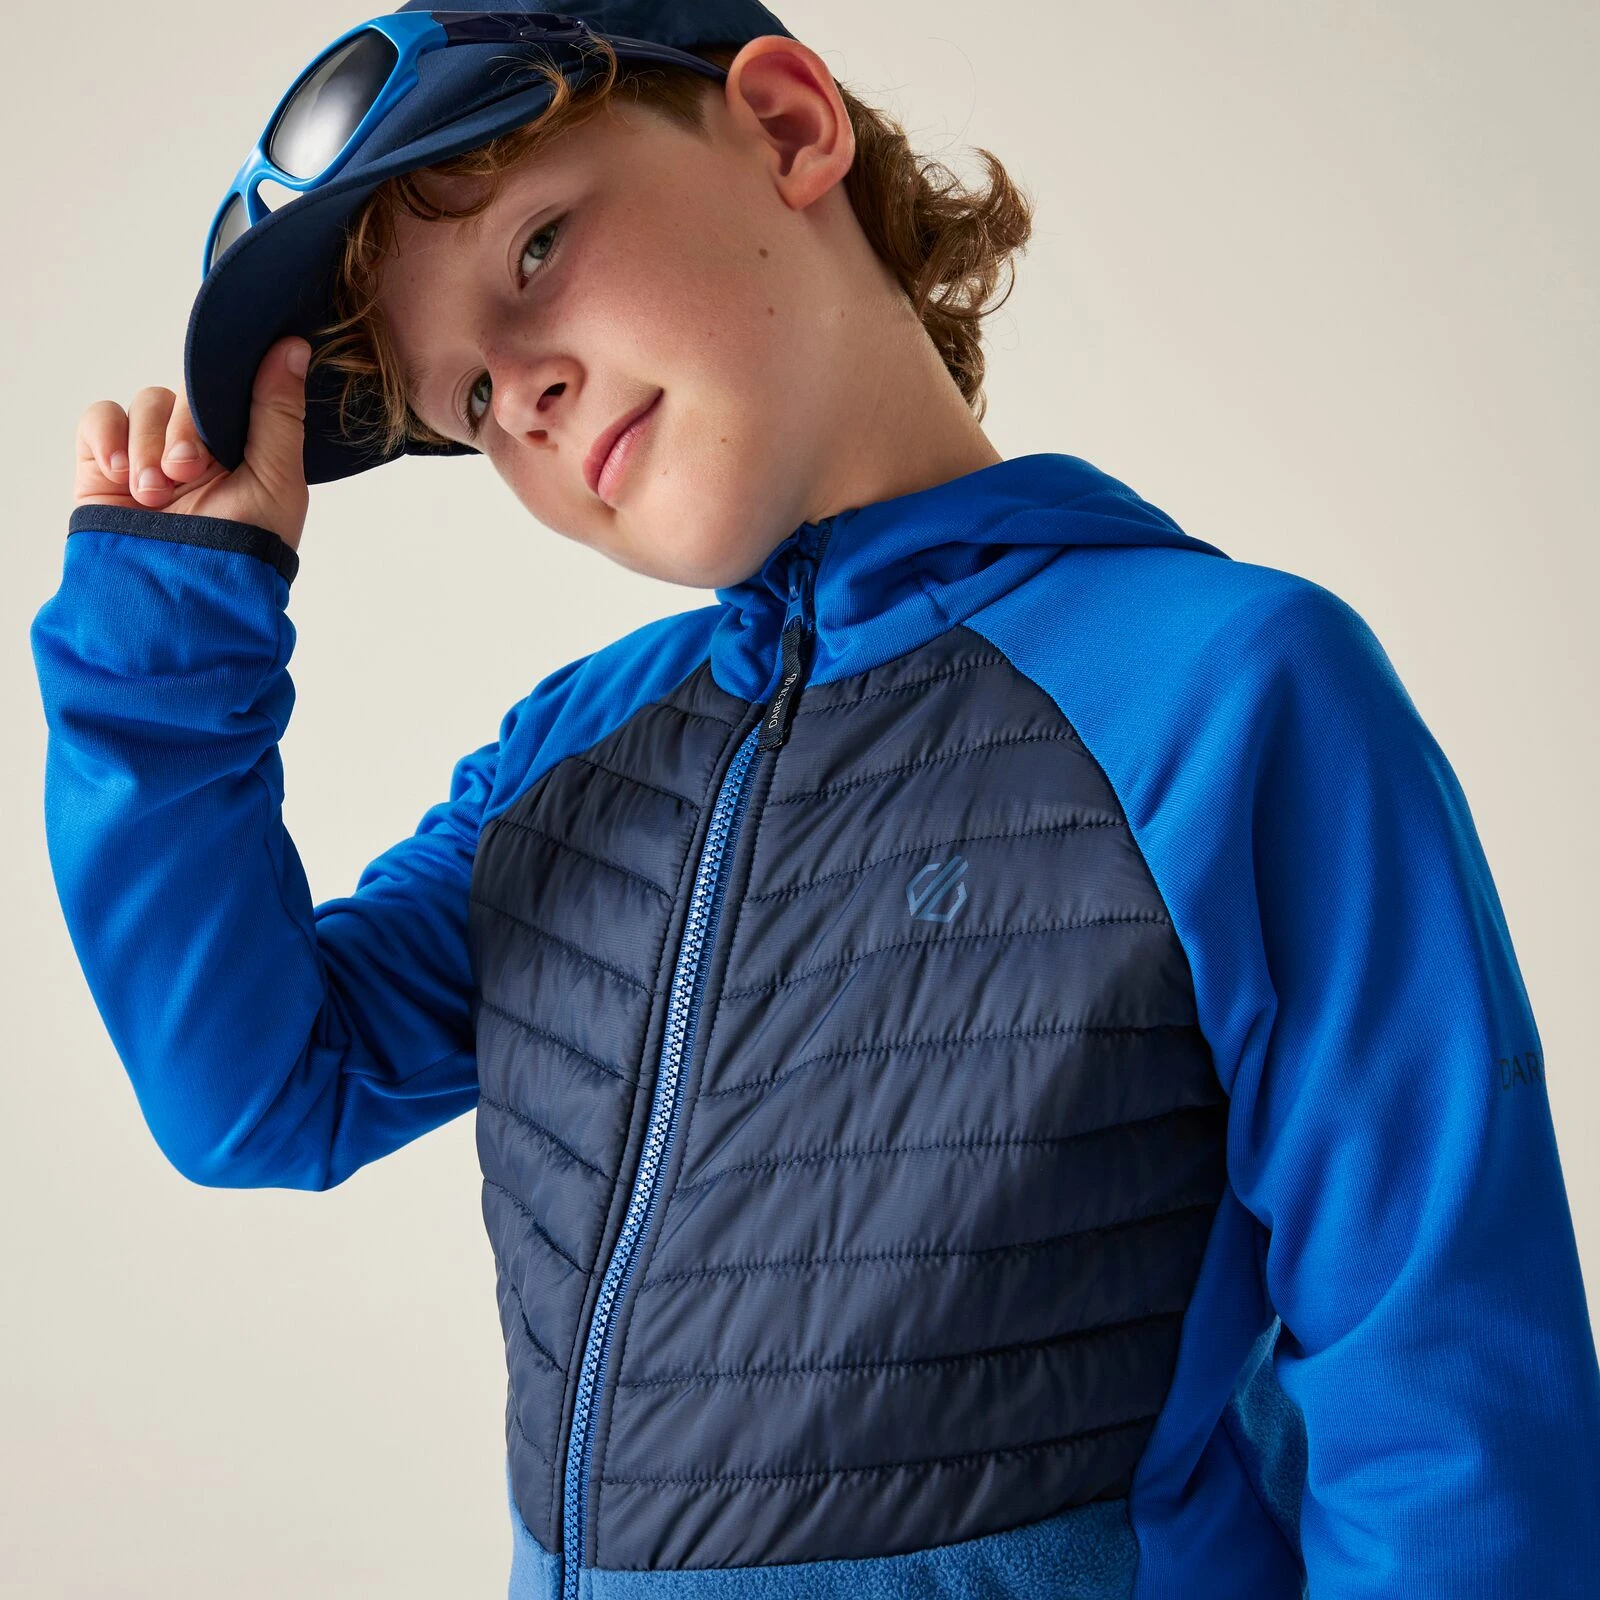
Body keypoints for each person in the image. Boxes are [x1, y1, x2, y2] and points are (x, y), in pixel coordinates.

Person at [30, 3, 1600, 1596]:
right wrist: (174, 632)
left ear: (787, 127)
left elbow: (1449, 1415)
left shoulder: (1223, 694)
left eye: (537, 250)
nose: (529, 392)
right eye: (472, 404)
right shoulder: (564, 765)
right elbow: (262, 1090)